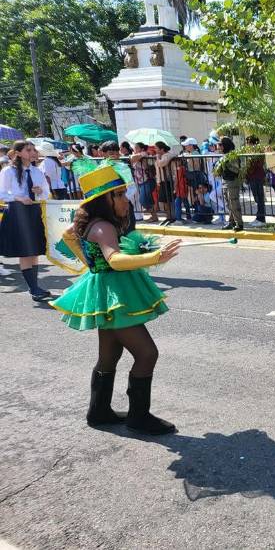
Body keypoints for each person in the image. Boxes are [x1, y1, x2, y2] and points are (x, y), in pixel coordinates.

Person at [50, 160, 182, 435]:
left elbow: (70, 237)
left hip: (106, 290)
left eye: (124, 193)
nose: (126, 200)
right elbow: (116, 260)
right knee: (147, 354)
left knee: (109, 355)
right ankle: (139, 417)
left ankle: (98, 411)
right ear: (104, 200)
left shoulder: (96, 223)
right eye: (119, 195)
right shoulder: (103, 227)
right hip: (115, 294)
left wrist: (93, 263)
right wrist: (154, 257)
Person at [0, 140, 52, 300]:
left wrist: (40, 191)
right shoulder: (8, 171)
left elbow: (46, 194)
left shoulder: (37, 171)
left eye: (33, 150)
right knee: (25, 251)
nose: (33, 152)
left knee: (34, 250)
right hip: (17, 211)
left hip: (34, 211)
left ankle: (35, 287)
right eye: (28, 150)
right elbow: (1, 193)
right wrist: (18, 198)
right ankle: (34, 288)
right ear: (18, 153)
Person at [129, 142, 156, 222]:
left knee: (143, 200)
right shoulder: (138, 155)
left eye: (136, 147)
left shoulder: (144, 153)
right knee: (147, 199)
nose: (135, 149)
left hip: (147, 180)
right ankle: (154, 216)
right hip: (141, 181)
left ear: (142, 149)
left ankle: (153, 215)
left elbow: (132, 159)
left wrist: (133, 155)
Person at [154, 141, 178, 226]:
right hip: (162, 180)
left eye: (156, 148)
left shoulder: (167, 155)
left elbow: (161, 163)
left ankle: (171, 217)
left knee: (168, 200)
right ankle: (168, 216)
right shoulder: (161, 156)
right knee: (164, 200)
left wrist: (158, 157)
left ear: (161, 149)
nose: (155, 150)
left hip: (167, 180)